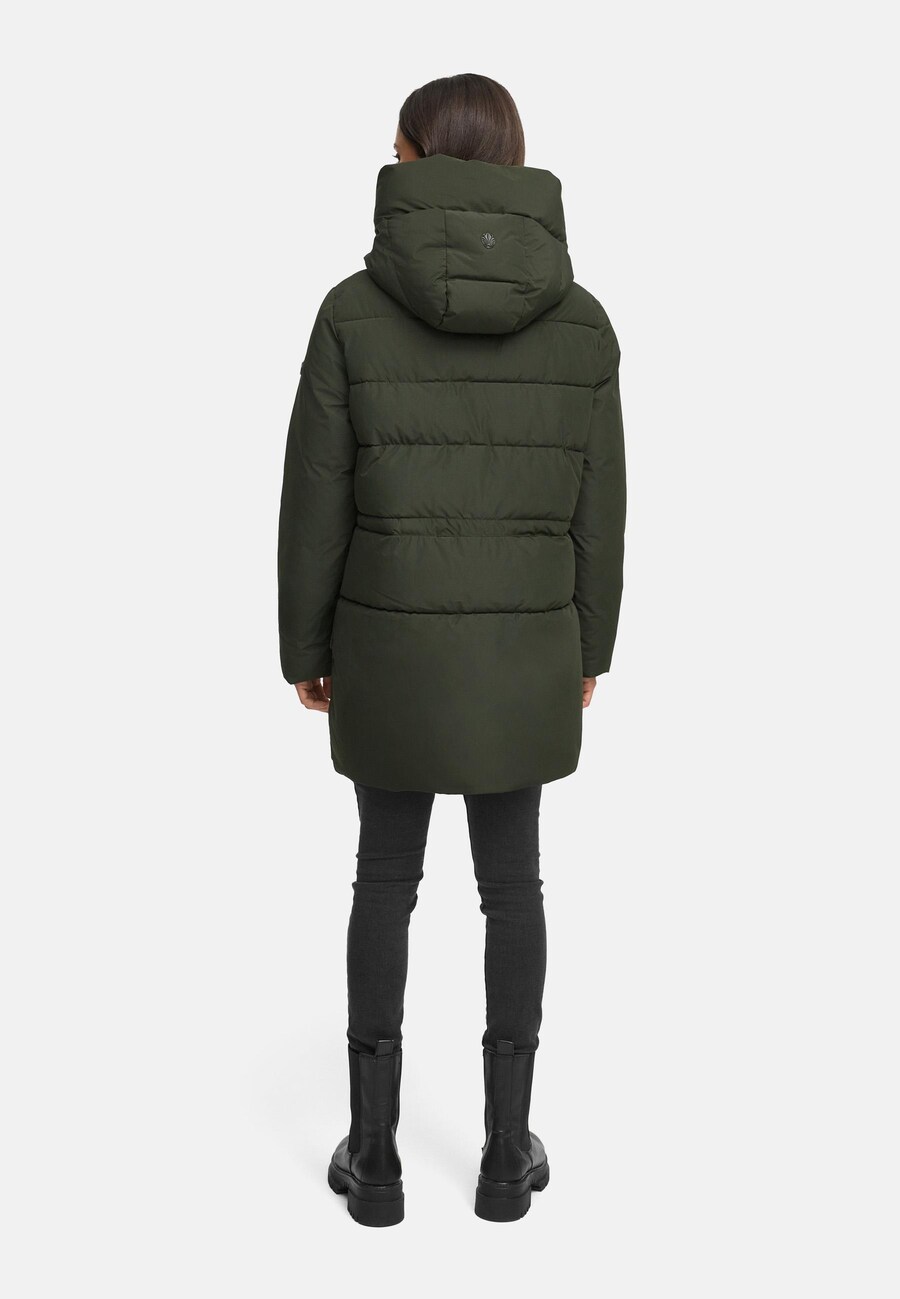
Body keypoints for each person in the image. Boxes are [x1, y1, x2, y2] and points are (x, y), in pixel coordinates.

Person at [277, 73, 626, 1226]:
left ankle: (374, 1158)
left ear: (417, 160)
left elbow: (315, 498)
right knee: (512, 885)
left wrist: (305, 644)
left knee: (385, 878)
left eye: (396, 149)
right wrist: (590, 648)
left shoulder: (350, 312)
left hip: (387, 642)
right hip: (526, 649)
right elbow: (602, 511)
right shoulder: (582, 323)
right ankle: (504, 1158)